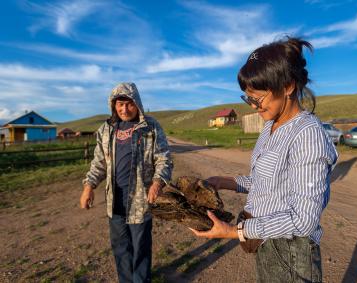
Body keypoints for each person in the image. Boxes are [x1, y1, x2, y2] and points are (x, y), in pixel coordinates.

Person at [189, 37, 338, 282]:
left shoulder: (307, 135)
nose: (254, 107)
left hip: (292, 254)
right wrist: (225, 181)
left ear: (288, 86)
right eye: (248, 99)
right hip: (266, 244)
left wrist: (233, 232)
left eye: (258, 99)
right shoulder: (269, 126)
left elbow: (304, 220)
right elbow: (268, 183)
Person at [79, 82, 173, 283]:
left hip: (141, 200)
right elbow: (99, 162)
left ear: (137, 103)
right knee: (120, 248)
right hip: (115, 201)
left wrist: (157, 182)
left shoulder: (150, 127)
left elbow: (163, 157)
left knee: (140, 248)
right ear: (113, 105)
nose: (124, 109)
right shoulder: (106, 129)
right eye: (119, 104)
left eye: (129, 104)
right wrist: (89, 186)